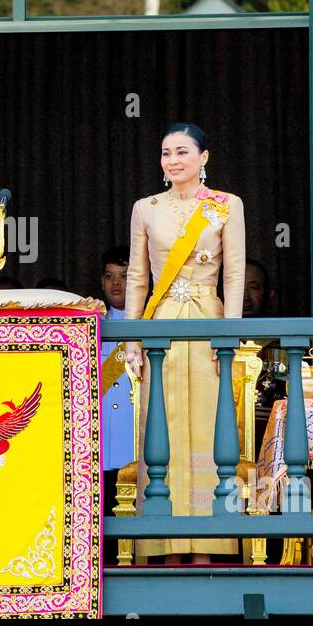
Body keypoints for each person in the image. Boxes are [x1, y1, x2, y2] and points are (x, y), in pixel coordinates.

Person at [124, 122, 245, 563]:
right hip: (160, 327)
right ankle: (162, 545)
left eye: (182, 152)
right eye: (165, 153)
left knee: (209, 427)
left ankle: (209, 546)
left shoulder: (226, 206)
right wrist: (133, 338)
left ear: (204, 157)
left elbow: (233, 275)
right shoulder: (146, 208)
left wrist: (227, 334)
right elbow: (137, 278)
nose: (173, 160)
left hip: (209, 324)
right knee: (162, 426)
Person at [98, 246, 134, 534]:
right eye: (110, 276)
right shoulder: (92, 325)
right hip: (101, 443)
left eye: (124, 276)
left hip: (134, 447)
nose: (116, 283)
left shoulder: (150, 325)